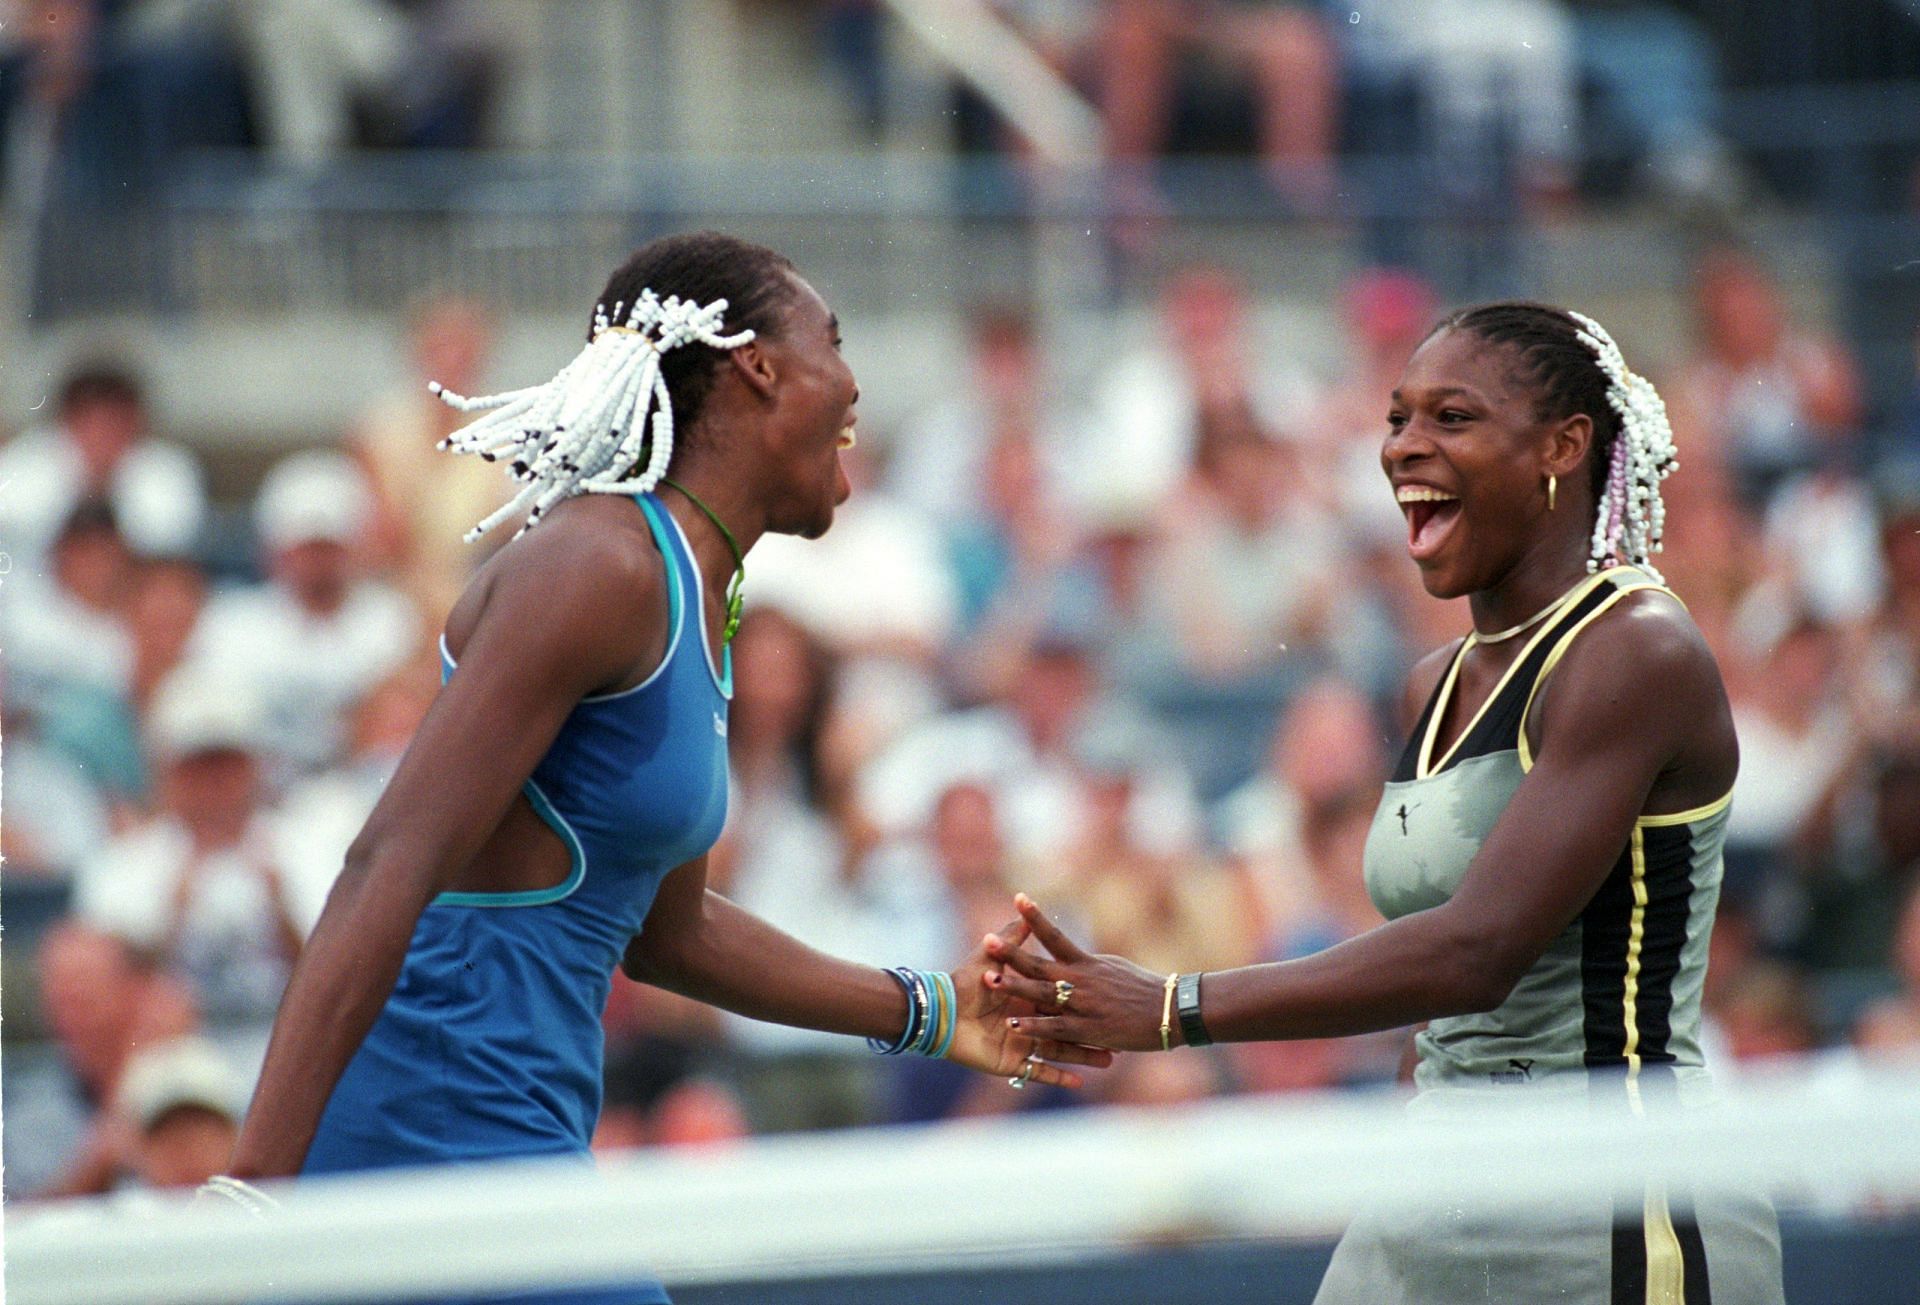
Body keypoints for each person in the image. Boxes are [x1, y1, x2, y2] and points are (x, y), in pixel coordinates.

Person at [211, 233, 1107, 1302]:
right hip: (430, 1125)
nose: (856, 386)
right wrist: (255, 1190)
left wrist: (932, 1010)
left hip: (518, 1138)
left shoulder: (695, 599)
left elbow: (671, 933)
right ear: (757, 368)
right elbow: (383, 861)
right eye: (833, 340)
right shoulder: (598, 564)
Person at [980, 302, 1785, 1302]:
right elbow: (1436, 981)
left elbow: (1476, 951)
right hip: (1439, 1174)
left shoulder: (1636, 648)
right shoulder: (1427, 685)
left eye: (1451, 418)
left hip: (1611, 1184)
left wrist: (1176, 1006)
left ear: (1564, 447)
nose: (1404, 446)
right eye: (1398, 418)